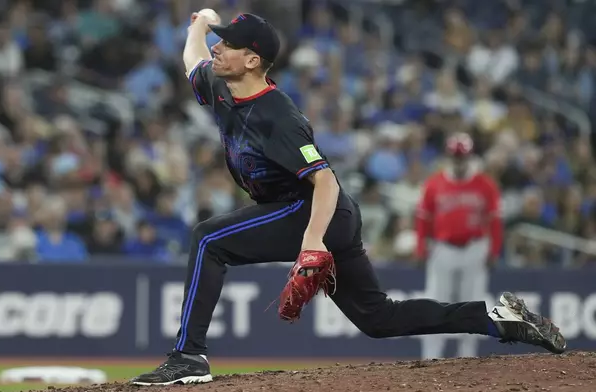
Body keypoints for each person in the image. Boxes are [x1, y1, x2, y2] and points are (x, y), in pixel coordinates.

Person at [130, 11, 566, 386]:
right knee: (379, 319)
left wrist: (313, 242)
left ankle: (189, 356)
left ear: (252, 60)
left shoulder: (279, 116)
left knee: (209, 239)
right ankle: (496, 319)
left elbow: (325, 182)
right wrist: (199, 25)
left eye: (227, 44)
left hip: (314, 211)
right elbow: (192, 62)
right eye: (218, 41)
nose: (215, 49)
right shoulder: (221, 84)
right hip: (305, 213)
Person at [416, 132, 502, 359]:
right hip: (443, 249)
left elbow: (495, 220)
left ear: (470, 156)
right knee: (435, 304)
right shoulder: (434, 184)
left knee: (472, 305)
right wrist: (420, 248)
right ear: (448, 156)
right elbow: (423, 219)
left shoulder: (485, 184)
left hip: (474, 249)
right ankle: (430, 357)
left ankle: (467, 358)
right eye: (455, 156)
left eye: (462, 157)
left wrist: (494, 250)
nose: (459, 161)